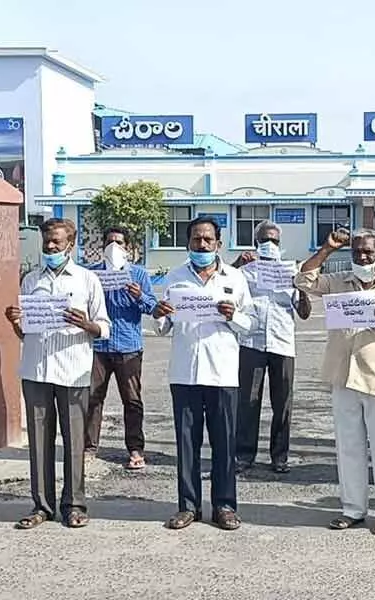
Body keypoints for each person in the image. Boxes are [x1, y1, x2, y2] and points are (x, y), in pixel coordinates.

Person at [295, 227, 375, 536]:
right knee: (348, 446)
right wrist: (327, 249)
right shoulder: (339, 281)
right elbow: (303, 280)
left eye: (367, 251)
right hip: (343, 374)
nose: (362, 256)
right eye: (356, 251)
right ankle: (353, 508)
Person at [6, 218, 110, 530]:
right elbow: (26, 333)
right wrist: (14, 321)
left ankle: (75, 505)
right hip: (37, 369)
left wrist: (85, 324)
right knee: (39, 441)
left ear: (71, 244)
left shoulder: (87, 280)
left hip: (74, 369)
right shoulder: (31, 280)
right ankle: (41, 506)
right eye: (47, 241)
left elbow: (104, 328)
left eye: (57, 242)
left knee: (74, 441)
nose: (51, 247)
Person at [153, 216, 255, 532]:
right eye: (196, 239)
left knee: (225, 442)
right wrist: (159, 314)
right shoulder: (174, 278)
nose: (202, 245)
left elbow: (251, 324)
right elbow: (163, 327)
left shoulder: (235, 278)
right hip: (184, 372)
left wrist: (233, 315)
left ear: (218, 244)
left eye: (208, 239)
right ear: (188, 243)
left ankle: (224, 506)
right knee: (187, 443)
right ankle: (188, 506)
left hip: (222, 372)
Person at [232, 220, 311, 474]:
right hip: (251, 341)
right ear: (256, 243)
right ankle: (244, 455)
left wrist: (303, 290)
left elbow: (304, 313)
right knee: (248, 401)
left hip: (282, 342)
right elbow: (222, 288)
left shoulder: (290, 271)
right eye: (264, 240)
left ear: (280, 244)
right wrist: (236, 264)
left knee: (283, 402)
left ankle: (280, 457)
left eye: (274, 240)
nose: (269, 244)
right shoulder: (245, 271)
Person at [84, 227, 158, 470]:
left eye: (119, 242)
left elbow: (153, 308)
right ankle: (89, 447)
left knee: (132, 400)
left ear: (127, 248)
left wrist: (139, 296)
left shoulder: (137, 274)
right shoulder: (92, 274)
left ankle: (135, 449)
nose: (113, 246)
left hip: (129, 346)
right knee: (93, 398)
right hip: (98, 346)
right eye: (109, 242)